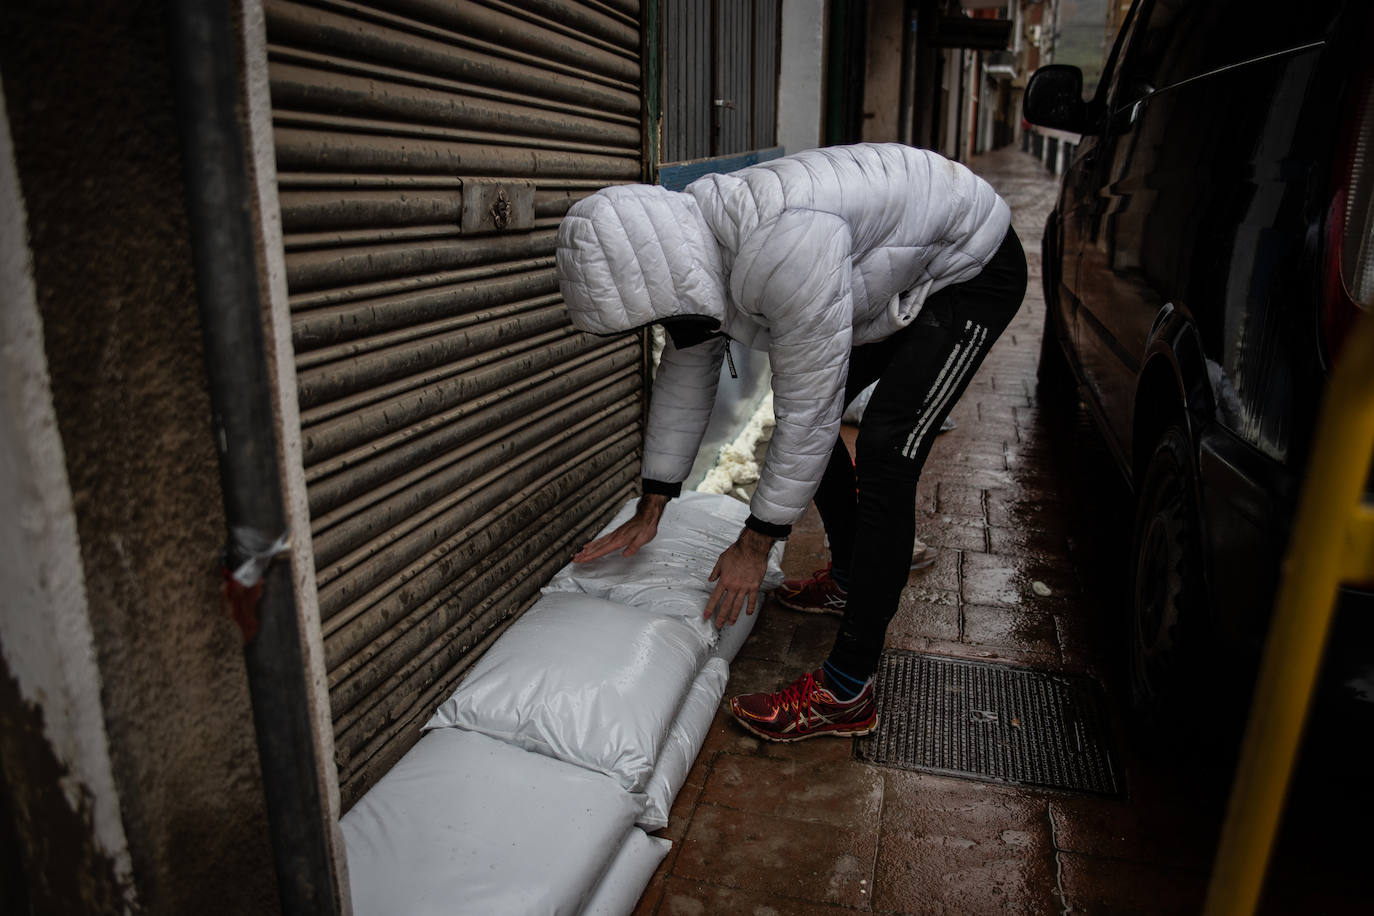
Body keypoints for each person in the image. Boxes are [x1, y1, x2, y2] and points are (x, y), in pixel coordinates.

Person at [555, 143, 1026, 742]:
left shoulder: (784, 248)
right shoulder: (690, 247)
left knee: (886, 450)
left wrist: (757, 544)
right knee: (812, 426)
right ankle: (853, 576)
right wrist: (655, 501)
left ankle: (848, 689)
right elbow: (686, 368)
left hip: (972, 269)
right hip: (900, 265)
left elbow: (813, 411)